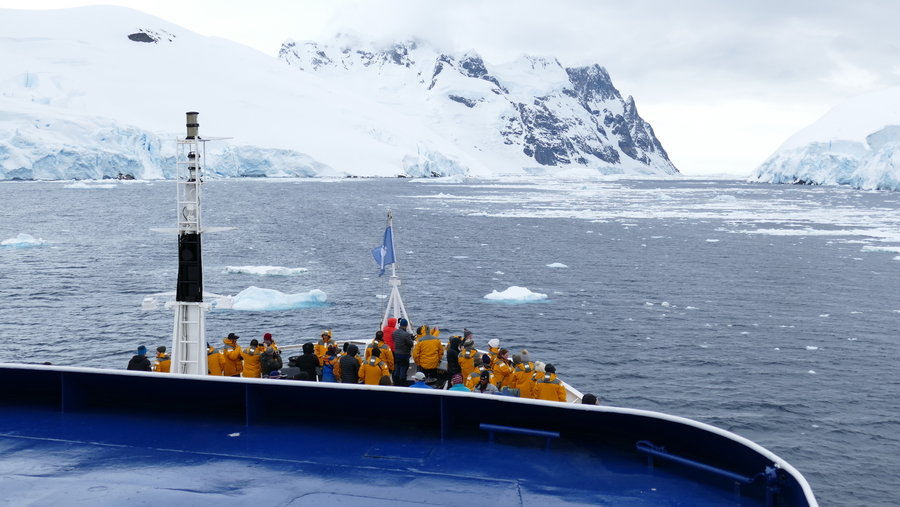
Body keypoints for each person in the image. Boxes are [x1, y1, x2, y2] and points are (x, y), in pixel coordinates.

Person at [391, 318, 415, 386]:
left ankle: (396, 382)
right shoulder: (406, 334)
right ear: (406, 325)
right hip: (404, 354)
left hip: (396, 353)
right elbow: (410, 344)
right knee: (403, 369)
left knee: (397, 368)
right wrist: (411, 340)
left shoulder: (394, 332)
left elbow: (394, 339)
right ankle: (402, 383)